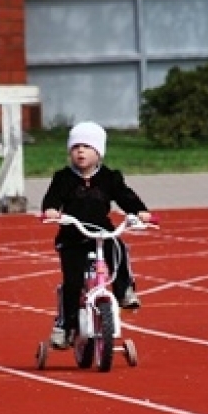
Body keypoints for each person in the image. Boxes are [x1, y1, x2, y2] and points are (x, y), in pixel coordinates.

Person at [41, 121, 152, 349]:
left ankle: (124, 291)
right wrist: (51, 210)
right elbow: (52, 198)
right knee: (72, 283)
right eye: (76, 147)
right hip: (73, 237)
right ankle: (65, 326)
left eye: (87, 146)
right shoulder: (63, 178)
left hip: (102, 232)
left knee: (119, 248)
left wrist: (139, 211)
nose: (80, 151)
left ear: (98, 152)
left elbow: (125, 196)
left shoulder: (110, 177)